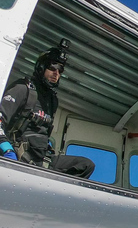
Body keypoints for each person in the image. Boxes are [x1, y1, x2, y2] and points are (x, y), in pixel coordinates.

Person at [0, 40, 95, 178]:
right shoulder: (22, 89)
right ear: (41, 67)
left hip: (43, 160)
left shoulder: (52, 100)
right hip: (19, 158)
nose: (56, 73)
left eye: (60, 70)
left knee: (86, 165)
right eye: (53, 67)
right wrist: (7, 151)